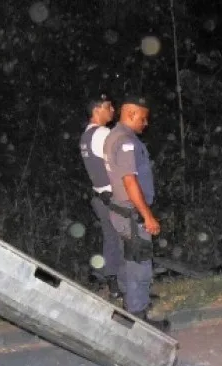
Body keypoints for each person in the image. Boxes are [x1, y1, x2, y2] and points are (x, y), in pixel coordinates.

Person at [103, 95, 169, 332]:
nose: (146, 123)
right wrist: (147, 215)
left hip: (121, 210)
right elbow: (130, 181)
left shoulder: (113, 137)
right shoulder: (125, 141)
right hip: (132, 213)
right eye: (143, 118)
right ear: (130, 114)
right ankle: (140, 321)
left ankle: (129, 313)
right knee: (139, 266)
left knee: (128, 263)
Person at [79, 94, 123, 298]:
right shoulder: (103, 133)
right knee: (125, 241)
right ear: (97, 110)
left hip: (100, 197)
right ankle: (129, 290)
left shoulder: (86, 136)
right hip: (113, 196)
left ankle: (115, 287)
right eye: (108, 106)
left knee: (112, 240)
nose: (113, 109)